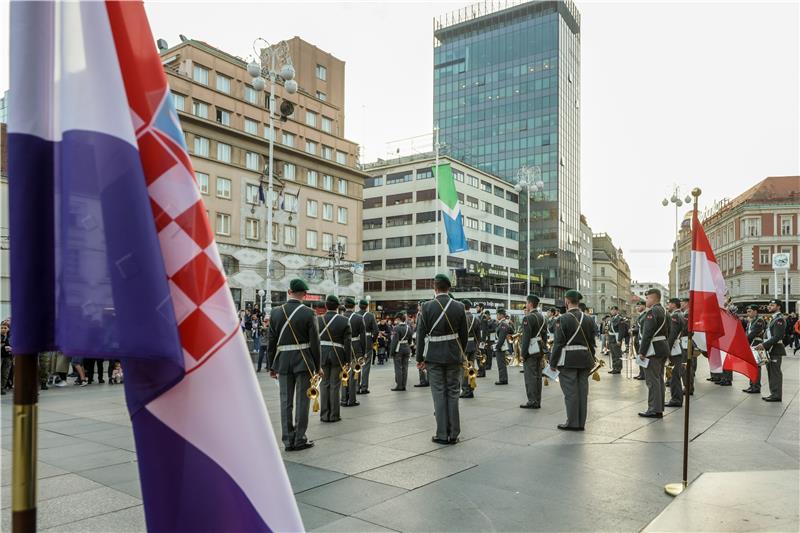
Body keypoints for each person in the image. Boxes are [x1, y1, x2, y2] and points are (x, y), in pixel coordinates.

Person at [267, 279, 322, 452]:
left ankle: (287, 440)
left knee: (285, 401)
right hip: (303, 361)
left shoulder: (275, 312)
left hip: (282, 361)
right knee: (302, 401)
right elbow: (315, 342)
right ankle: (299, 438)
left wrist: (271, 366)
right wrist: (317, 365)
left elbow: (271, 341)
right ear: (304, 294)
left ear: (289, 291)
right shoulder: (308, 313)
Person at [416, 274, 467, 445]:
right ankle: (454, 433)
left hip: (433, 357)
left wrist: (419, 357)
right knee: (453, 393)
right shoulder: (459, 307)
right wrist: (461, 354)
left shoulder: (426, 307)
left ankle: (442, 434)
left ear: (435, 288)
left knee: (438, 393)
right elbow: (464, 336)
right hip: (453, 356)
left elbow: (421, 334)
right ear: (449, 288)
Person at [549, 290, 595, 430]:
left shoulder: (562, 319)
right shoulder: (588, 319)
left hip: (568, 360)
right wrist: (591, 360)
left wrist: (553, 362)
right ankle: (581, 423)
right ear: (578, 302)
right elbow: (591, 343)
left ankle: (573, 422)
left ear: (567, 301)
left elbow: (558, 343)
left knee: (571, 393)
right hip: (585, 359)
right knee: (582, 392)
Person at [317, 294, 351, 423]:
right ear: (337, 306)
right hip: (338, 355)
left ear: (326, 306)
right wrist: (347, 361)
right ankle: (334, 415)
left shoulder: (318, 320)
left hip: (322, 355)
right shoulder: (343, 320)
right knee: (335, 385)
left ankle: (324, 415)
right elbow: (347, 343)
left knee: (324, 385)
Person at [637, 288, 670, 418]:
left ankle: (654, 409)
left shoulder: (652, 312)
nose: (646, 300)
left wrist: (642, 352)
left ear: (654, 298)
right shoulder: (665, 311)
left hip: (653, 349)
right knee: (659, 379)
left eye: (647, 298)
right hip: (663, 347)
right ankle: (659, 407)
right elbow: (669, 331)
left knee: (652, 381)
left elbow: (647, 334)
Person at [755, 299, 786, 402]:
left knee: (775, 373)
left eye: (772, 305)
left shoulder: (779, 319)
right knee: (771, 372)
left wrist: (763, 345)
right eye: (769, 305)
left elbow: (777, 336)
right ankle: (773, 393)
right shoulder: (773, 319)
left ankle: (776, 395)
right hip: (770, 349)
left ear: (778, 307)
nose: (769, 306)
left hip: (776, 349)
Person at [520, 294, 547, 409]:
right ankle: (537, 400)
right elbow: (545, 335)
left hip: (531, 349)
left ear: (530, 304)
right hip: (540, 348)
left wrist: (523, 354)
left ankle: (532, 401)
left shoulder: (528, 318)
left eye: (526, 303)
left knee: (530, 376)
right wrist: (544, 348)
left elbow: (526, 338)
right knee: (538, 376)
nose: (526, 305)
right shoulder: (542, 317)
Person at [341, 297, 365, 406]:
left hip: (342, 348)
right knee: (354, 375)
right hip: (356, 347)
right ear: (354, 306)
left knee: (344, 373)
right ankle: (352, 400)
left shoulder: (340, 317)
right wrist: (363, 352)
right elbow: (363, 337)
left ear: (345, 306)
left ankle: (343, 398)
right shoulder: (359, 318)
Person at [665, 298, 686, 407]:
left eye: (669, 303)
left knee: (674, 375)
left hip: (675, 348)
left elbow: (672, 335)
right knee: (675, 375)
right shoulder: (681, 314)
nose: (668, 305)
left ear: (673, 304)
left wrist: (667, 350)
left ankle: (676, 400)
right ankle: (676, 398)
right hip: (678, 346)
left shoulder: (675, 316)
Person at [742, 304, 766, 394]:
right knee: (751, 366)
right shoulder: (750, 321)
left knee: (756, 366)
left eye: (750, 311)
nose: (748, 313)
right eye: (747, 311)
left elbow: (752, 334)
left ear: (755, 311)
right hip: (751, 345)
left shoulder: (759, 321)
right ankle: (752, 385)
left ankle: (756, 386)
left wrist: (743, 342)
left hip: (757, 345)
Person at [460, 300, 481, 399]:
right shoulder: (475, 319)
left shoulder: (461, 318)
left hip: (463, 346)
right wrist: (476, 347)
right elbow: (478, 336)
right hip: (472, 345)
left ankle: (465, 390)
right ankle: (471, 388)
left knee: (464, 368)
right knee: (471, 367)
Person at [357, 299, 378, 394]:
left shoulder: (355, 315)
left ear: (359, 306)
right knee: (366, 365)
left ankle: (356, 387)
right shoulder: (370, 316)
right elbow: (376, 331)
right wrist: (373, 340)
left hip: (357, 341)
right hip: (368, 340)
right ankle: (364, 387)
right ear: (367, 306)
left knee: (357, 364)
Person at [390, 313, 413, 391]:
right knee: (405, 367)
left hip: (398, 349)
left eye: (396, 319)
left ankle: (399, 385)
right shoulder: (408, 327)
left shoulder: (396, 328)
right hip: (406, 348)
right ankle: (404, 385)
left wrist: (391, 352)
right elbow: (410, 340)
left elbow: (394, 341)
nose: (395, 320)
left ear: (399, 319)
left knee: (398, 368)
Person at [493, 308, 512, 385]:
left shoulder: (503, 324)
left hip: (501, 347)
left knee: (501, 364)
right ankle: (503, 378)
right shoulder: (502, 323)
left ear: (501, 315)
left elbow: (501, 338)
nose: (496, 316)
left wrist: (497, 347)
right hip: (500, 346)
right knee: (501, 363)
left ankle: (503, 379)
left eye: (497, 314)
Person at [606, 306, 624, 374]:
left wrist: (619, 340)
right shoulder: (612, 318)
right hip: (611, 338)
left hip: (616, 338)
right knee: (613, 354)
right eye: (611, 310)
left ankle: (618, 368)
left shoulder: (620, 319)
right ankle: (614, 367)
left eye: (613, 310)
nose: (612, 311)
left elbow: (621, 331)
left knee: (617, 354)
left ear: (617, 311)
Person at [1, 321, 11, 395]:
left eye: (5, 328)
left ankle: (2, 388)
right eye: (2, 328)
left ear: (8, 329)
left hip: (8, 357)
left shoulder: (10, 337)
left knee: (5, 373)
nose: (3, 329)